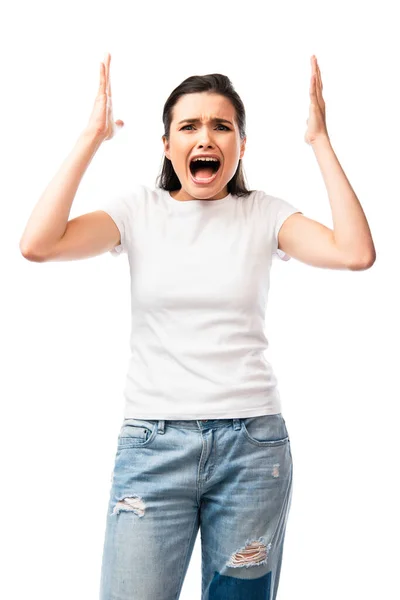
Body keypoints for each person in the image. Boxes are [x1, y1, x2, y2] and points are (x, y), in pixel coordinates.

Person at [19, 53, 376, 600]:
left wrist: (319, 141)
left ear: (240, 144)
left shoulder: (265, 214)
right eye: (189, 126)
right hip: (153, 446)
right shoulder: (138, 211)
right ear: (167, 145)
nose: (205, 137)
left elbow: (355, 253)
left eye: (221, 126)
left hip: (252, 449)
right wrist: (92, 137)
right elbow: (38, 245)